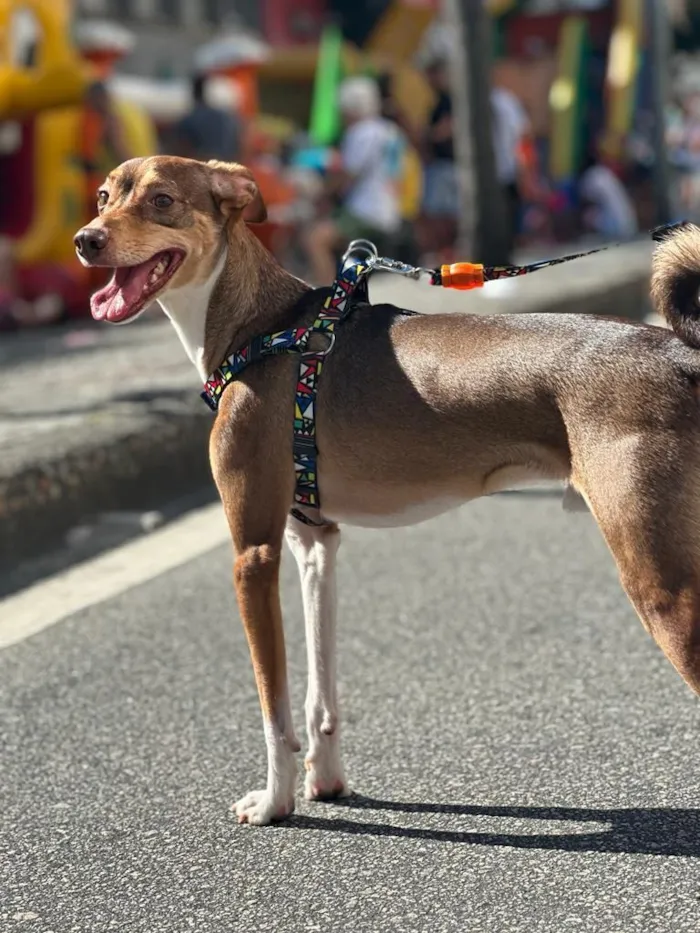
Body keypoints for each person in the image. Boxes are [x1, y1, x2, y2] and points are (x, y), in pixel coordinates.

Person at [304, 76, 404, 285]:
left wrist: (322, 193)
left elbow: (348, 175)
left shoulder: (362, 132)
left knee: (315, 240)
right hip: (392, 210)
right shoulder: (390, 130)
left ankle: (326, 298)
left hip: (367, 211)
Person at [171, 73, 242, 163]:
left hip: (202, 168)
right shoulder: (227, 117)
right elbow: (238, 144)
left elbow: (181, 149)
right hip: (227, 166)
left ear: (193, 93)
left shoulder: (190, 119)